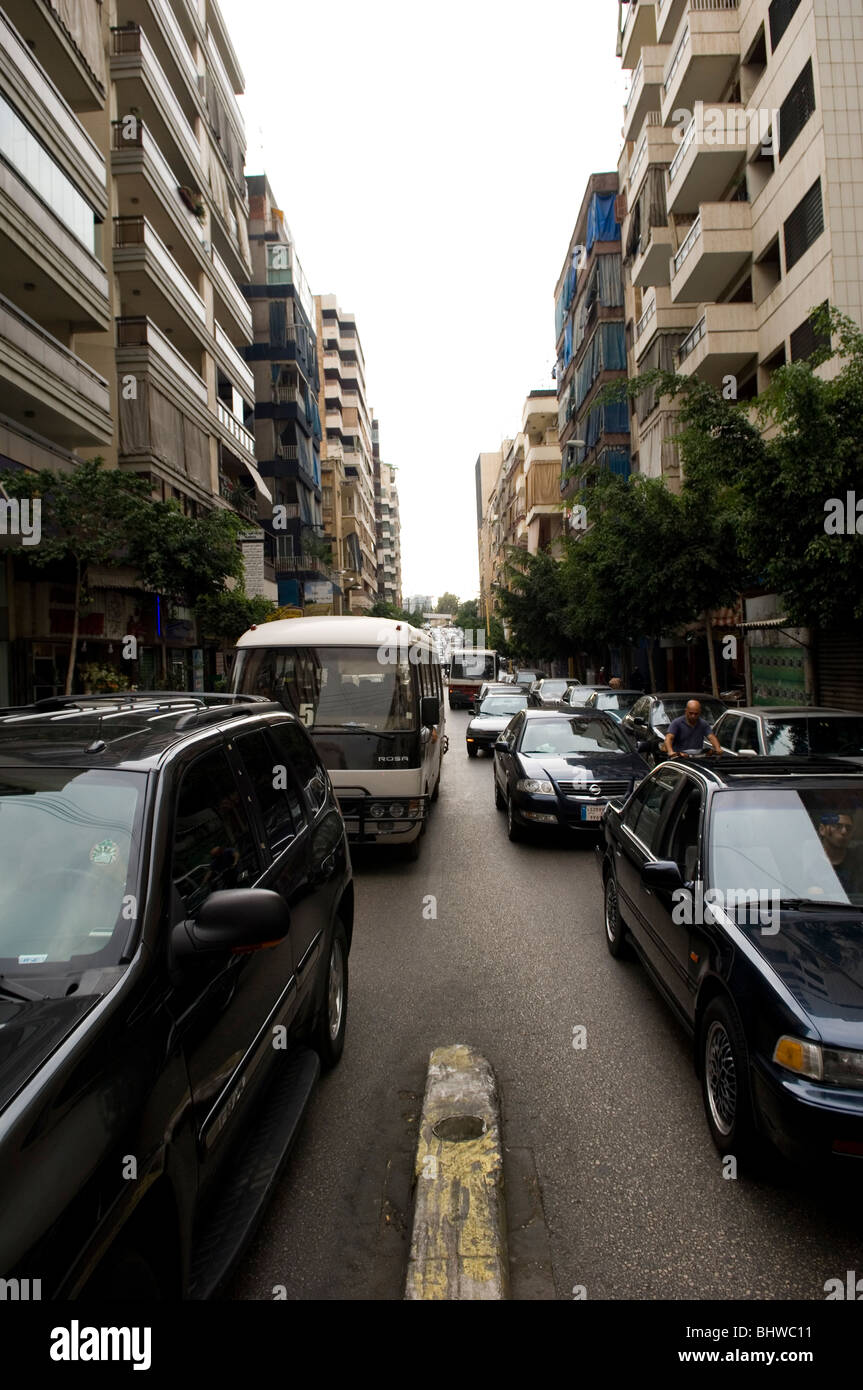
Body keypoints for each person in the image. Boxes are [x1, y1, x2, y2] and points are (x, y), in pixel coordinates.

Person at [815, 811, 863, 896]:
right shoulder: (812, 862)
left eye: (848, 828)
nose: (844, 831)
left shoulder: (858, 860)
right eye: (837, 826)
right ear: (822, 830)